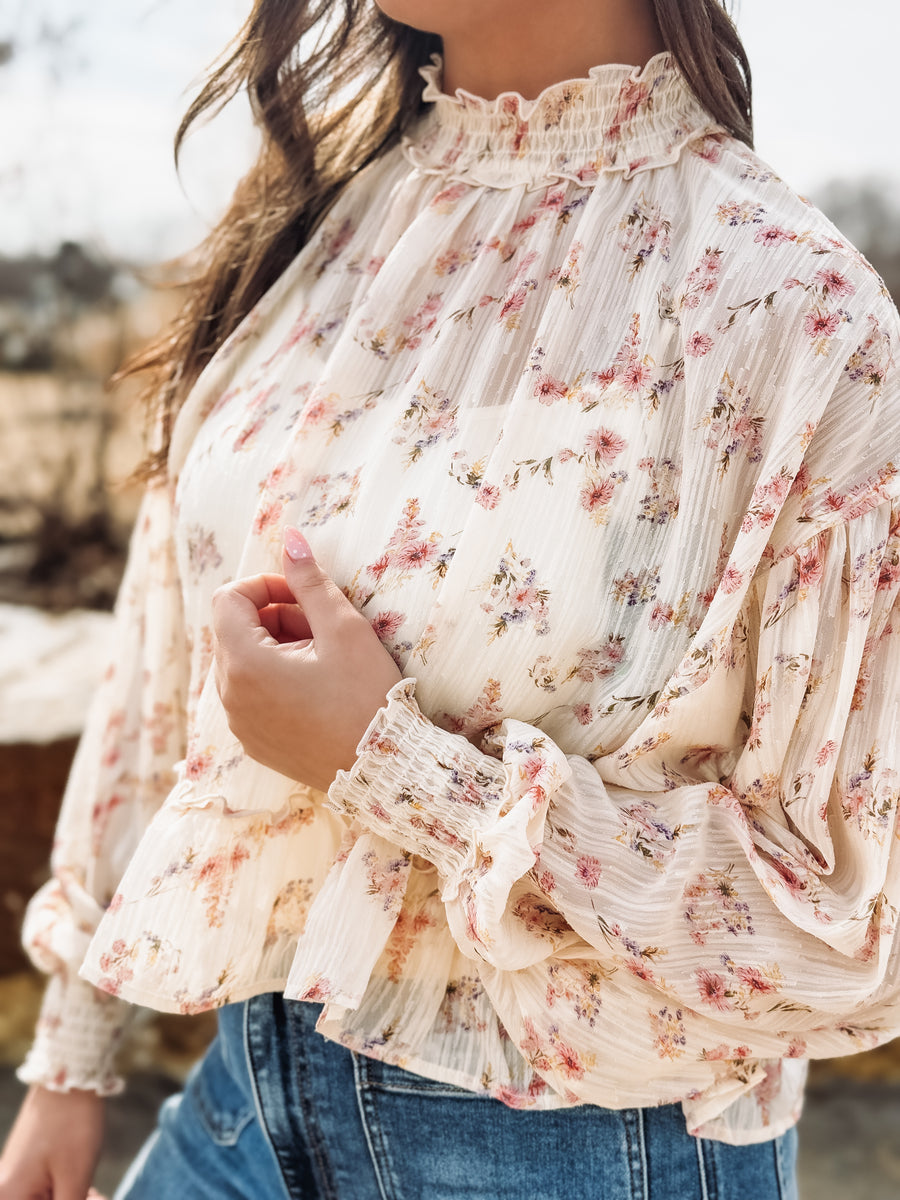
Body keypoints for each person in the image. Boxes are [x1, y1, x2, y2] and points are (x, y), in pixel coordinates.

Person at [2, 1, 899, 1196]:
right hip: (238, 1105)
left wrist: (397, 768)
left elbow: (845, 922)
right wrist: (72, 1052)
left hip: (566, 1144)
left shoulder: (794, 315)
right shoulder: (319, 224)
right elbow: (172, 638)